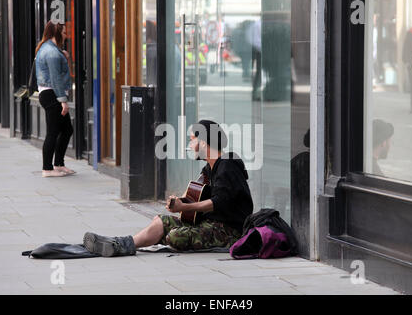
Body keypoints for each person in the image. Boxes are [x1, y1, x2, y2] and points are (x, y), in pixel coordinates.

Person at [83, 120, 254, 257]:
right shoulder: (209, 168)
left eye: (192, 138)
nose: (189, 143)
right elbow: (199, 196)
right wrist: (179, 202)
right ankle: (122, 244)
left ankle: (130, 243)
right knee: (160, 221)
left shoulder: (228, 165)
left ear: (203, 142)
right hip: (209, 224)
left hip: (229, 231)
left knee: (175, 236)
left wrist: (184, 207)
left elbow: (219, 202)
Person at [35, 21, 75, 178]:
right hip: (52, 94)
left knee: (66, 130)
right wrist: (63, 101)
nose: (66, 35)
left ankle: (58, 164)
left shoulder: (51, 49)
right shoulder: (51, 52)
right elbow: (55, 79)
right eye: (64, 32)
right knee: (53, 132)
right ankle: (47, 169)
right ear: (56, 33)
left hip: (51, 93)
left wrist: (63, 55)